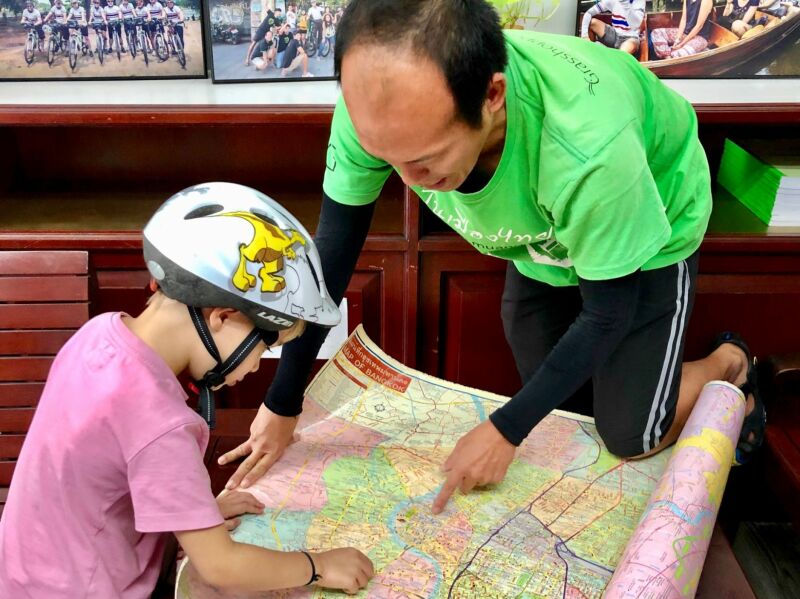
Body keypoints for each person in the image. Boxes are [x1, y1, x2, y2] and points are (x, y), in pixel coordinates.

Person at [216, 0, 767, 516]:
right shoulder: (379, 112)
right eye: (387, 159)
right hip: (546, 232)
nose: (409, 182)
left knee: (628, 438)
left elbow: (607, 312)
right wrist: (283, 402)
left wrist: (505, 431)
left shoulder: (590, 149)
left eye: (427, 159)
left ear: (493, 95)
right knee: (571, 410)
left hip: (648, 220)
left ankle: (730, 365)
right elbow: (329, 264)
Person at [0, 183, 374, 597]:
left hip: (29, 577)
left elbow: (103, 478)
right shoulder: (159, 422)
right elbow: (221, 567)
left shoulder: (98, 335)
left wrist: (195, 515)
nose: (254, 368)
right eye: (265, 348)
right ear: (224, 317)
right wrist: (318, 566)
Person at [580, 0, 646, 56]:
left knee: (621, 54)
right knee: (592, 22)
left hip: (630, 38)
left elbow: (635, 25)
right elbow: (588, 13)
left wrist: (625, 4)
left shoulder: (639, 2)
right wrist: (585, 36)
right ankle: (588, 53)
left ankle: (606, 55)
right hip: (614, 34)